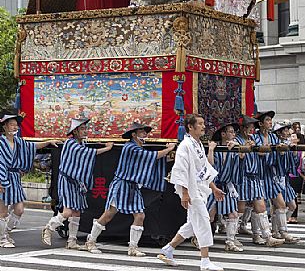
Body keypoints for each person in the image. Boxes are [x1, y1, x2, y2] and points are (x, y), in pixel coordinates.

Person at [85, 121, 175, 256]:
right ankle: (91, 241)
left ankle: (133, 247)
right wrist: (168, 149)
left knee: (140, 215)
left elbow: (151, 162)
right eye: (142, 132)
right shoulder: (130, 147)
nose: (145, 134)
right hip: (122, 184)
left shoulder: (138, 149)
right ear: (134, 134)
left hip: (133, 186)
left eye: (146, 132)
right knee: (109, 214)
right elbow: (151, 157)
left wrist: (167, 155)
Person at [157, 114, 225, 271]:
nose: (203, 126)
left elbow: (204, 168)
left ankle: (169, 249)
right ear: (190, 127)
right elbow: (181, 170)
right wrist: (185, 193)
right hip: (191, 190)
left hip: (199, 188)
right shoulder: (185, 145)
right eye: (200, 124)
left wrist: (213, 188)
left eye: (203, 123)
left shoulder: (198, 144)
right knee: (203, 220)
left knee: (193, 224)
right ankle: (205, 260)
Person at [42, 117, 113, 249]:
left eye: (85, 128)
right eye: (82, 129)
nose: (85, 131)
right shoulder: (71, 144)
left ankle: (72, 241)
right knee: (68, 211)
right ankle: (49, 228)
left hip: (76, 181)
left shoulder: (81, 144)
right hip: (68, 180)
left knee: (77, 212)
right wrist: (107, 149)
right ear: (75, 131)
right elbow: (87, 154)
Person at [0, 110, 60, 248]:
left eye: (16, 125)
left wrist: (48, 142)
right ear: (5, 126)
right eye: (12, 124)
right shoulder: (1, 143)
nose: (15, 127)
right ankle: (2, 238)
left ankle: (6, 232)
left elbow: (33, 146)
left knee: (19, 209)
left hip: (14, 178)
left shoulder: (20, 142)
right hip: (2, 177)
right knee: (2, 211)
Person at [235, 114, 284, 247]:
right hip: (243, 177)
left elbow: (261, 154)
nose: (251, 129)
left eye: (252, 127)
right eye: (249, 127)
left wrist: (265, 148)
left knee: (261, 207)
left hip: (256, 176)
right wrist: (246, 147)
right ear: (243, 128)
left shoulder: (254, 139)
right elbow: (238, 156)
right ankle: (231, 236)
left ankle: (266, 236)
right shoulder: (237, 140)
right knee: (240, 209)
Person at [255, 111, 298, 243]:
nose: (270, 122)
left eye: (270, 120)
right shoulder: (255, 138)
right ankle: (260, 234)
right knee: (258, 206)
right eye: (267, 120)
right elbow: (255, 154)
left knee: (281, 204)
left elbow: (279, 154)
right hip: (258, 174)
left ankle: (281, 231)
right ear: (261, 123)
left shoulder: (274, 138)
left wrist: (283, 150)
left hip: (271, 174)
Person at [207, 122, 243, 252]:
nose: (233, 134)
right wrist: (211, 149)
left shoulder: (234, 147)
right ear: (223, 134)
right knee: (210, 214)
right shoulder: (215, 147)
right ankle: (198, 237)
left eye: (234, 132)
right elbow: (210, 165)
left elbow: (242, 157)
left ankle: (230, 241)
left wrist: (238, 147)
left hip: (227, 185)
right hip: (214, 185)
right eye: (231, 131)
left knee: (233, 214)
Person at [272, 121, 299, 235]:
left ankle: (277, 228)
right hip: (275, 177)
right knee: (280, 206)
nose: (287, 132)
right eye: (285, 130)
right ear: (280, 132)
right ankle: (281, 231)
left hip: (285, 178)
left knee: (292, 206)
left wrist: (293, 152)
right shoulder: (275, 143)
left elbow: (294, 163)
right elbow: (273, 161)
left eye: (288, 130)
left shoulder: (288, 143)